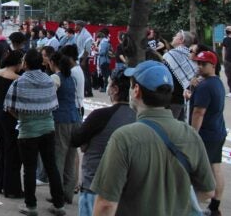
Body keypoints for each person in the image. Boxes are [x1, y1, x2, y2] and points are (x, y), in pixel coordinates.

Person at [90, 61, 215, 216]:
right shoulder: (190, 135)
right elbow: (208, 191)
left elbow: (106, 204)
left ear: (136, 91)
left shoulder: (124, 138)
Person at [5, 48, 67, 216]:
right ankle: (59, 204)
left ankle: (31, 206)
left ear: (25, 64)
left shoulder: (20, 82)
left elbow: (9, 106)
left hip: (28, 131)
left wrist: (22, 116)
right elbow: (53, 104)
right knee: (51, 166)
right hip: (48, 128)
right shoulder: (48, 80)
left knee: (29, 169)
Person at [71, 67, 136, 216]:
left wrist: (86, 143)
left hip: (94, 187)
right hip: (127, 190)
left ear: (114, 89)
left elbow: (75, 139)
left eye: (109, 83)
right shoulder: (139, 117)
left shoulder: (100, 116)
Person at [186, 51, 227, 216]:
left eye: (204, 64)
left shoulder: (205, 86)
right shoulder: (216, 83)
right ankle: (215, 206)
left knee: (198, 170)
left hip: (206, 135)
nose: (200, 66)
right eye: (198, 63)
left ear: (213, 65)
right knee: (215, 167)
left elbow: (199, 113)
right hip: (217, 131)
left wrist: (193, 135)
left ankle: (198, 204)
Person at [0, 49, 25, 199]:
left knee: (3, 149)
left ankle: (1, 184)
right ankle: (12, 188)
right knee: (13, 152)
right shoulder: (17, 79)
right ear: (17, 62)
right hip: (10, 115)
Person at [49, 50, 81, 205]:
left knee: (59, 157)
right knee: (70, 157)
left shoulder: (56, 78)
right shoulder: (72, 78)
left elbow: (49, 96)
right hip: (75, 118)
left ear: (52, 63)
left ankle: (58, 193)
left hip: (61, 119)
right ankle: (68, 193)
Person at [163, 30, 197, 121]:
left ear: (181, 40)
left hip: (173, 98)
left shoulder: (169, 55)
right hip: (186, 97)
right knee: (181, 125)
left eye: (175, 36)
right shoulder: (191, 55)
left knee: (170, 128)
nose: (173, 37)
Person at [73, 21, 93, 98]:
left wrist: (84, 60)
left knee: (85, 75)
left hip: (84, 57)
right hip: (79, 57)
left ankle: (88, 91)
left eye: (76, 25)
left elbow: (87, 49)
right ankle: (86, 90)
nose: (74, 27)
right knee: (83, 74)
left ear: (79, 26)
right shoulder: (79, 34)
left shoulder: (86, 35)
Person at [96, 28, 112, 92]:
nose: (98, 40)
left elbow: (103, 52)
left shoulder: (103, 43)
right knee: (106, 75)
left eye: (98, 38)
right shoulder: (106, 42)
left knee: (105, 75)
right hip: (106, 60)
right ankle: (105, 87)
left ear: (100, 37)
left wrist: (97, 53)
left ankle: (105, 88)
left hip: (104, 60)